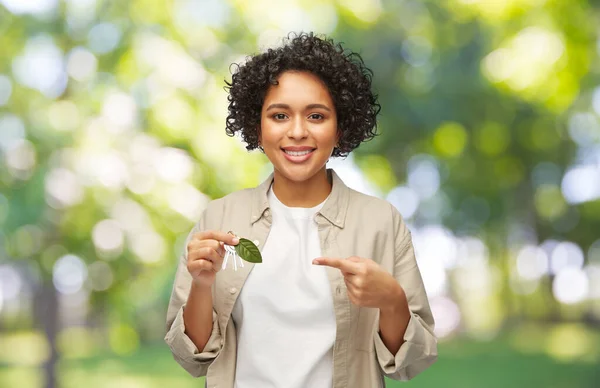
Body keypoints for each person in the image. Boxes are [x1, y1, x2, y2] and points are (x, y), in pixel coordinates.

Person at [165, 32, 437, 388]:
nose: (297, 132)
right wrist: (202, 285)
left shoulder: (381, 222)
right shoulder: (219, 218)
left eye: (316, 116)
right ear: (257, 128)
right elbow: (193, 357)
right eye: (279, 115)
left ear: (340, 129)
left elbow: (412, 363)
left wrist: (391, 300)